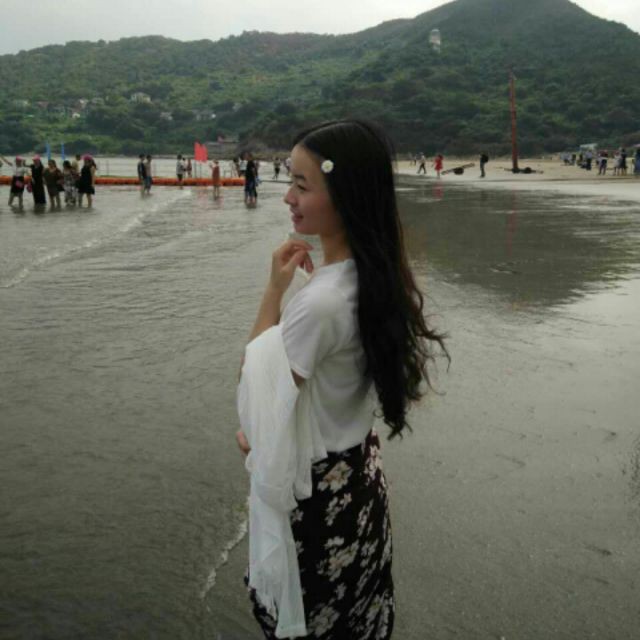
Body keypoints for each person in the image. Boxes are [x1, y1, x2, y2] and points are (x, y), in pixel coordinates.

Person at [236, 119, 447, 639]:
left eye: (301, 184)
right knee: (359, 620)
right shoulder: (374, 275)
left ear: (344, 194)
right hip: (359, 484)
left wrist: (273, 291)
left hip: (321, 504)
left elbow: (256, 398)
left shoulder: (321, 302)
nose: (288, 197)